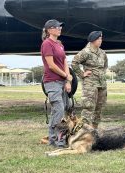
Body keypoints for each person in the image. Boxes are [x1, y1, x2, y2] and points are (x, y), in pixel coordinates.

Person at [41, 19, 72, 147]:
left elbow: (64, 61)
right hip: (52, 81)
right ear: (49, 30)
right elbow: (51, 65)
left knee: (62, 108)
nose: (60, 29)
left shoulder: (59, 44)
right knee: (59, 109)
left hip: (61, 80)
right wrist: (66, 75)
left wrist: (67, 79)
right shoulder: (47, 44)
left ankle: (53, 138)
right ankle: (59, 141)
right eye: (57, 27)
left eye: (60, 27)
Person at [72, 31, 108, 128]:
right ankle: (84, 131)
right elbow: (74, 63)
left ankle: (94, 130)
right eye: (98, 39)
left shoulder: (102, 52)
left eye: (101, 38)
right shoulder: (85, 52)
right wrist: (82, 74)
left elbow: (105, 66)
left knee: (99, 108)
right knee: (88, 107)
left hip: (101, 83)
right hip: (90, 84)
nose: (101, 40)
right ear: (92, 40)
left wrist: (101, 75)